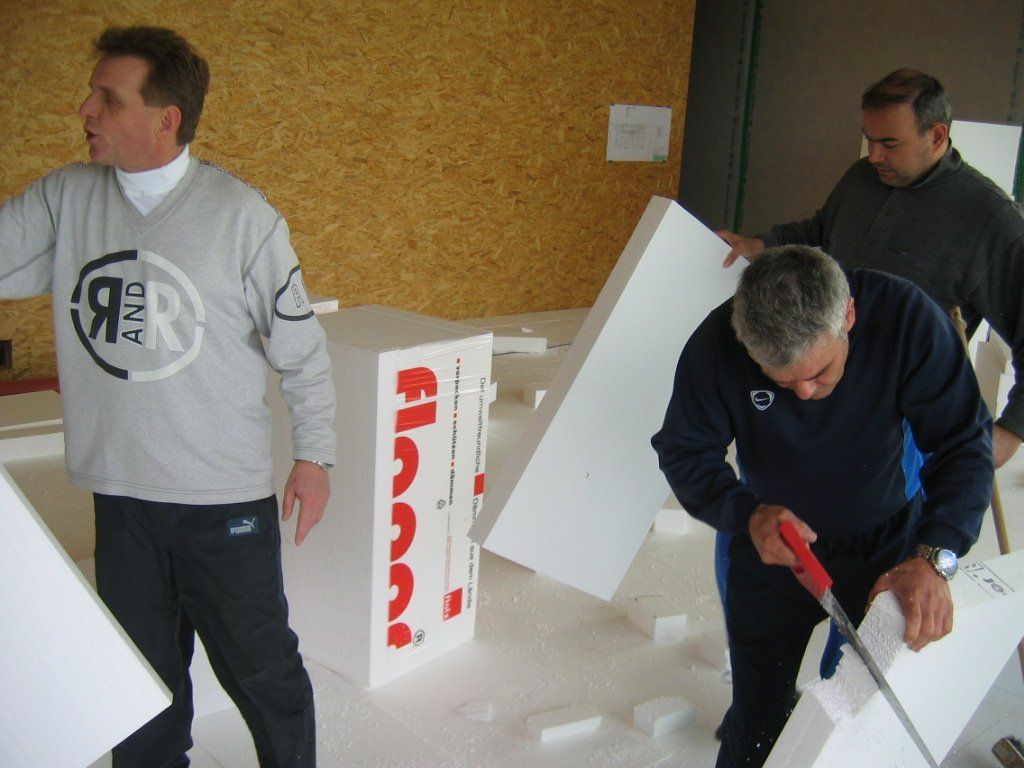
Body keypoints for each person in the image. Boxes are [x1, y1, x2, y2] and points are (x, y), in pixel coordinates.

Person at [0, 27, 336, 768]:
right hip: (122, 499)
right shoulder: (68, 198)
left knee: (262, 672)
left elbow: (302, 352)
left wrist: (315, 456)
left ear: (165, 118)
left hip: (221, 502)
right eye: (91, 93)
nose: (86, 109)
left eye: (107, 97)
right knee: (139, 686)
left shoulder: (242, 218)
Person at [652, 245, 993, 768]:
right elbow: (684, 450)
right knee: (757, 723)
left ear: (849, 315)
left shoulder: (906, 319)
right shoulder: (717, 342)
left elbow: (962, 443)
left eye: (820, 372)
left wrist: (935, 555)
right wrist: (746, 514)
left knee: (866, 712)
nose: (806, 393)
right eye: (783, 382)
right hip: (772, 548)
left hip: (885, 543)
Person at [718, 69, 1024, 468]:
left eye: (889, 143)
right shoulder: (863, 178)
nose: (875, 155)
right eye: (870, 139)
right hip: (818, 386)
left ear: (936, 136)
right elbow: (821, 231)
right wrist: (759, 246)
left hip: (903, 417)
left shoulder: (992, 221)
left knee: (884, 505)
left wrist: (1012, 430)